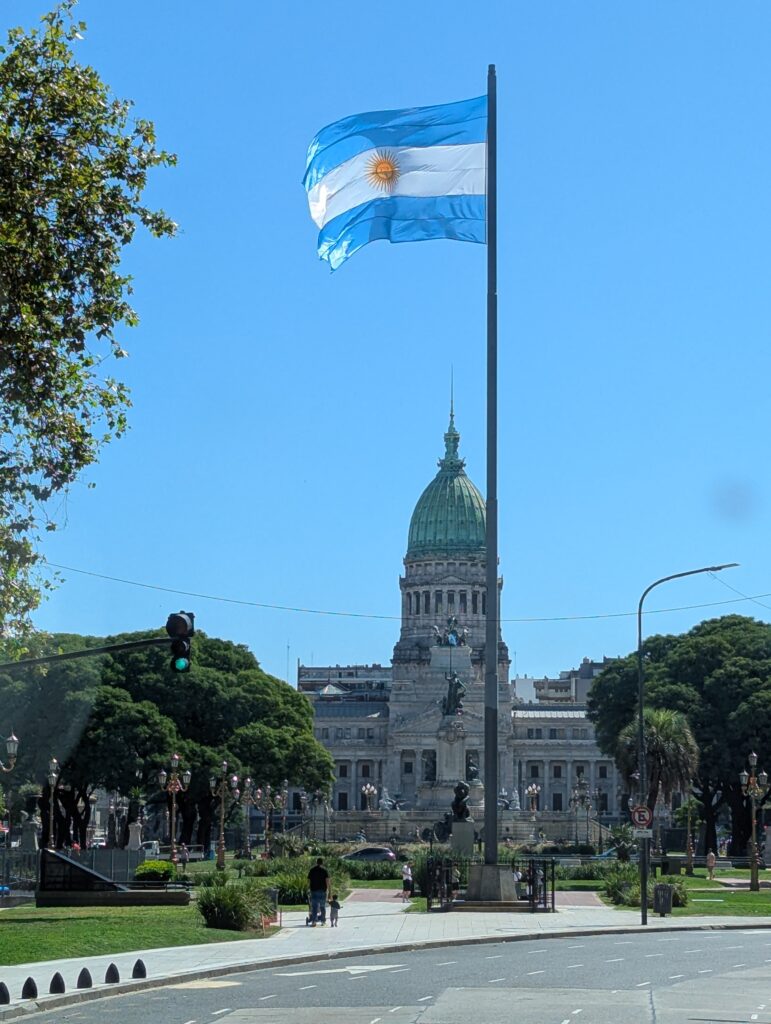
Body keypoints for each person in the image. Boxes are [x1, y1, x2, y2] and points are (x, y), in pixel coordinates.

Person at [307, 857, 330, 926]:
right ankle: (323, 921)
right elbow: (327, 881)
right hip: (323, 891)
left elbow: (308, 881)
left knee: (314, 907)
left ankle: (314, 921)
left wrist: (308, 888)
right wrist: (328, 890)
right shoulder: (324, 871)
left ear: (316, 862)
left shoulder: (312, 870)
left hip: (314, 890)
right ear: (322, 863)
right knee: (322, 906)